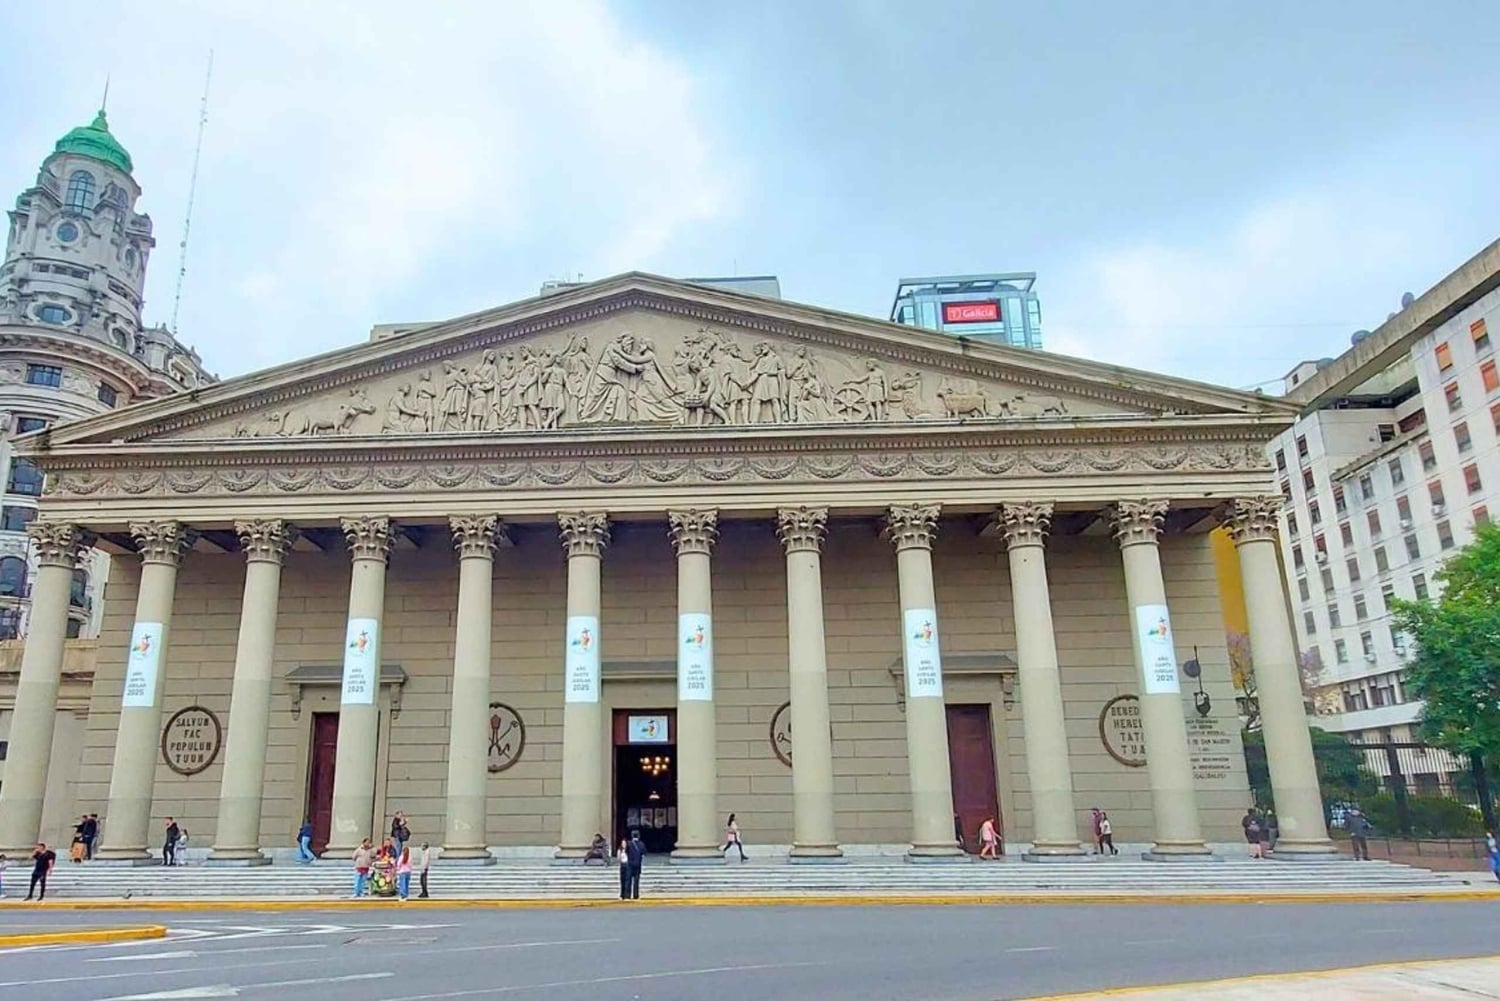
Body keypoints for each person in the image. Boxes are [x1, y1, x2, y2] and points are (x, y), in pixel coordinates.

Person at [619, 829, 645, 900]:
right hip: (638, 864)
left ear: (632, 836)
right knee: (636, 881)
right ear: (639, 836)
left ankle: (627, 895)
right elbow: (643, 853)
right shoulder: (641, 844)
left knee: (628, 880)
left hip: (630, 864)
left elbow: (626, 852)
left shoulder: (629, 844)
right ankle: (636, 895)